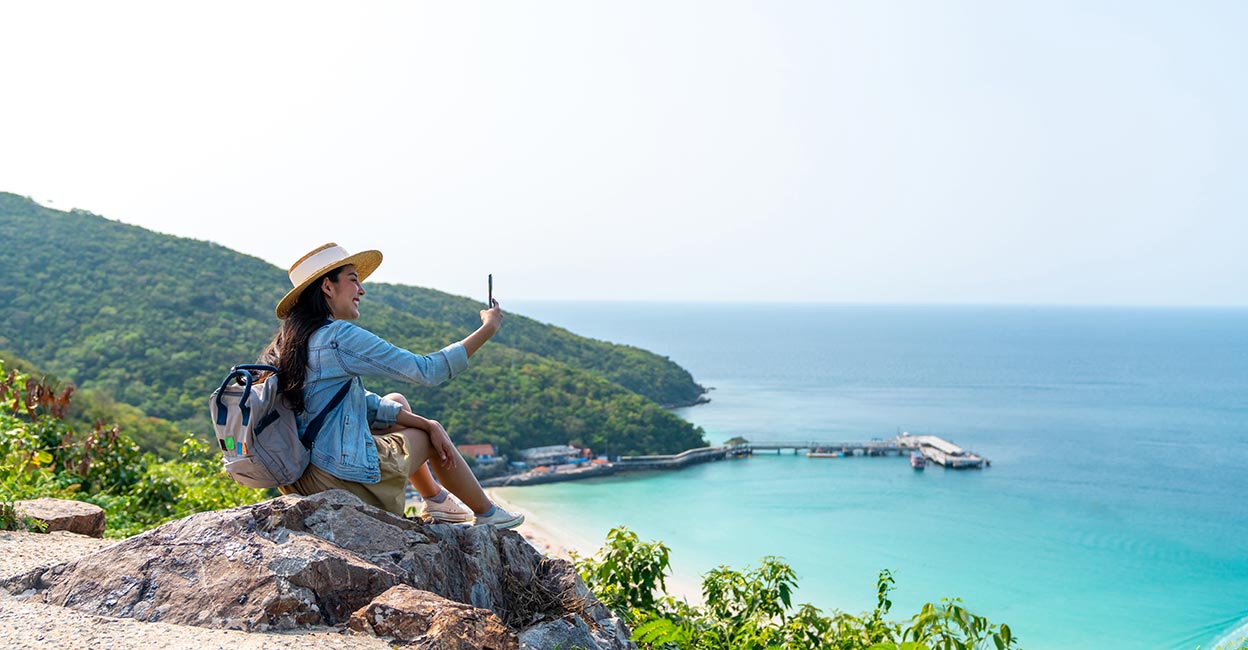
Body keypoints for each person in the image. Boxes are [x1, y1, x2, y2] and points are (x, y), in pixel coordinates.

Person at [259, 242, 523, 529]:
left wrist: (426, 422)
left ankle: (437, 500)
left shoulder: (290, 342)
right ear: (327, 287)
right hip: (336, 478)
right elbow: (427, 370)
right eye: (353, 280)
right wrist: (488, 328)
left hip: (301, 477)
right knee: (428, 440)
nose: (361, 290)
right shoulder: (337, 337)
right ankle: (488, 514)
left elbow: (355, 403)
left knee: (397, 401)